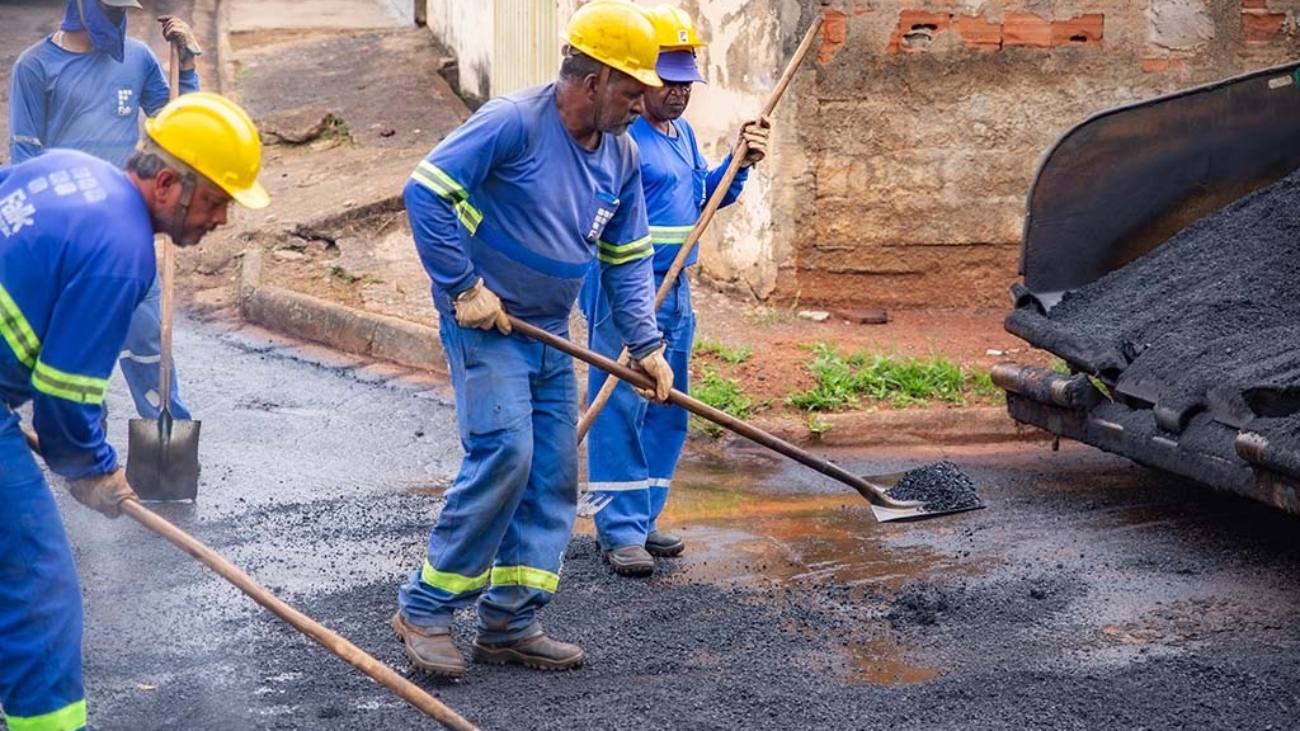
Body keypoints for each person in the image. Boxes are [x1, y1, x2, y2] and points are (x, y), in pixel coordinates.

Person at [394, 0, 674, 678]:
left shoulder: (623, 153)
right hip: (488, 323)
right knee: (506, 454)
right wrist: (463, 285)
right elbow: (424, 191)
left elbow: (628, 253)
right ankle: (425, 609)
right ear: (591, 81)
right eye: (632, 89)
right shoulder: (512, 123)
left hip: (550, 331)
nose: (644, 103)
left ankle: (509, 621)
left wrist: (646, 343)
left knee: (552, 472)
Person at [0, 92, 268, 731]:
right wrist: (92, 470)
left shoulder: (66, 170)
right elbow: (65, 399)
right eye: (215, 200)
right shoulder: (124, 255)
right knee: (38, 583)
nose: (222, 219)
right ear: (169, 184)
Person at [580, 4, 770, 576]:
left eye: (687, 82)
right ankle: (617, 531)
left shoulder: (681, 133)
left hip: (677, 286)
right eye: (669, 81)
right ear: (641, 76)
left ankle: (645, 518)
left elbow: (706, 198)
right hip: (627, 283)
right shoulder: (620, 136)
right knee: (619, 407)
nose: (680, 93)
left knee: (668, 406)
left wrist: (740, 162)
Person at [8, 0, 205, 423]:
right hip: (66, 238)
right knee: (74, 349)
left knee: (148, 335)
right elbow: (26, 162)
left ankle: (168, 431)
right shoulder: (35, 67)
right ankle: (81, 446)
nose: (119, 19)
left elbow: (182, 127)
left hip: (124, 231)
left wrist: (186, 68)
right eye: (110, 9)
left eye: (123, 10)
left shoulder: (137, 58)